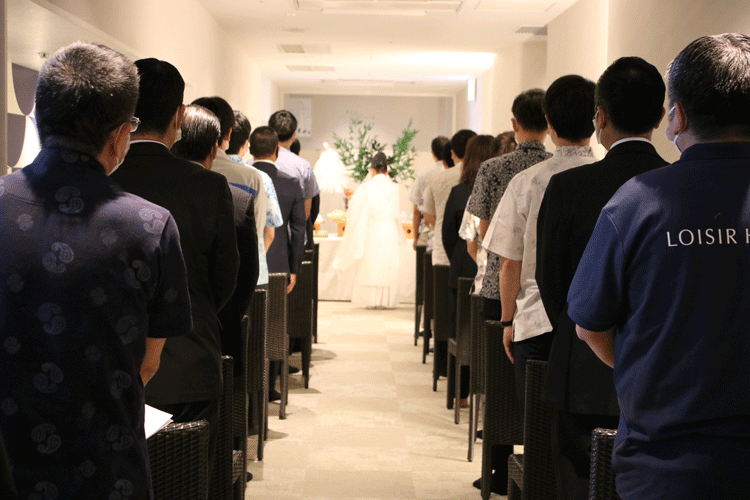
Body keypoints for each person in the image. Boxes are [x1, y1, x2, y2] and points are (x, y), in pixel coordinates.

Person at [0, 42, 192, 499]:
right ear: (120, 134)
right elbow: (148, 362)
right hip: (103, 466)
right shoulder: (150, 226)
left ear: (40, 118)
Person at [568, 33, 750, 500]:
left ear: (678, 116)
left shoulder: (639, 203)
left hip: (666, 464)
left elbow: (590, 325)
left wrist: (648, 372)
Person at [535, 57, 668, 500]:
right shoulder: (676, 185)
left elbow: (551, 284)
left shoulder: (569, 187)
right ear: (660, 116)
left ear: (601, 117)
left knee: (577, 483)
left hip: (581, 372)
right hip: (661, 375)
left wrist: (581, 332)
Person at [110, 58, 239, 474]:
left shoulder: (102, 179)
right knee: (189, 480)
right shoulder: (209, 185)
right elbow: (225, 280)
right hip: (190, 364)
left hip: (109, 368)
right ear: (179, 115)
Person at [486, 74, 596, 410]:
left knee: (537, 429)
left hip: (536, 322)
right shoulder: (609, 178)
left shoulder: (526, 182)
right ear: (597, 117)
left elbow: (509, 262)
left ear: (548, 122)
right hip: (596, 324)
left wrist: (507, 320)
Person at [465, 88, 550, 495]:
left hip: (500, 280)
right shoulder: (557, 168)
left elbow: (482, 228)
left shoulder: (496, 167)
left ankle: (497, 468)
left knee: (498, 383)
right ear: (550, 123)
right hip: (542, 286)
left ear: (514, 124)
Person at [172, 105, 260, 384]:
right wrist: (215, 312)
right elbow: (242, 271)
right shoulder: (233, 196)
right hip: (211, 332)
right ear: (214, 149)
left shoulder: (141, 188)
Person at [250, 126, 306, 401]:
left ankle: (249, 385)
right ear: (277, 151)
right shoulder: (290, 183)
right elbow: (299, 231)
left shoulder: (245, 177)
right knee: (274, 325)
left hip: (249, 263)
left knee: (250, 325)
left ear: (249, 150)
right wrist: (295, 268)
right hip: (279, 263)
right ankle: (269, 386)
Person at [442, 134, 494, 405]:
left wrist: (459, 258)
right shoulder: (500, 189)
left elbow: (448, 235)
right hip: (491, 268)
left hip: (463, 265)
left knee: (459, 331)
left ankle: (459, 395)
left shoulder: (460, 192)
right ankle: (486, 392)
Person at [423, 129, 476, 375]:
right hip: (471, 258)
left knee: (444, 315)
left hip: (445, 256)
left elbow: (430, 218)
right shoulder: (478, 177)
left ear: (452, 153)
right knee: (467, 319)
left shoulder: (439, 179)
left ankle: (443, 368)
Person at [193, 97, 267, 248]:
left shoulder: (170, 172)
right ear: (228, 134)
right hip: (235, 267)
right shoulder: (251, 179)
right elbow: (254, 238)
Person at [334, 152, 405, 308]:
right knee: (387, 264)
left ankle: (370, 301)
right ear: (387, 170)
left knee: (371, 265)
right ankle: (387, 301)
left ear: (372, 170)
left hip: (373, 229)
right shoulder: (394, 188)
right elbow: (398, 213)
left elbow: (355, 210)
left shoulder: (366, 187)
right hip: (390, 230)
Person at [227, 110, 284, 289]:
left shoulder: (205, 173)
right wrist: (257, 256)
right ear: (246, 144)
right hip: (252, 272)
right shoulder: (260, 178)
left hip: (210, 274)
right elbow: (270, 231)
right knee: (253, 317)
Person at [268, 110, 321, 247]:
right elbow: (306, 211)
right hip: (291, 241)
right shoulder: (304, 166)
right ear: (293, 136)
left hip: (261, 240)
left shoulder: (252, 164)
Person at [411, 135, 450, 250]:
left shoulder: (423, 177)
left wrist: (415, 238)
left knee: (424, 267)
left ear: (433, 153)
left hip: (428, 231)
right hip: (451, 232)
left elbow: (416, 211)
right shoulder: (456, 175)